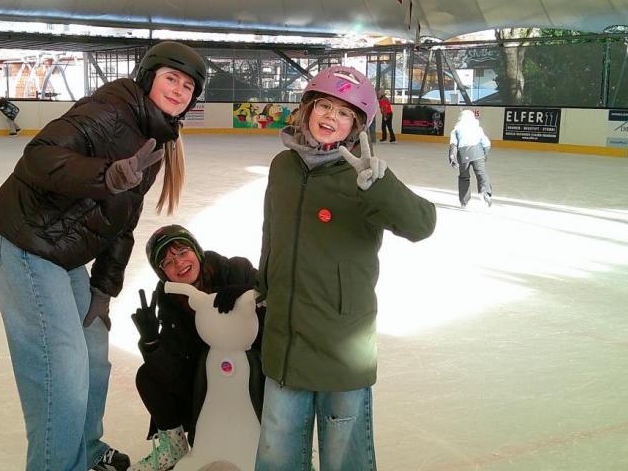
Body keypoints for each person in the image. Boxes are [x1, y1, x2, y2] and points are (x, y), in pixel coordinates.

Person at [0, 41, 207, 471]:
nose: (179, 90)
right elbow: (38, 157)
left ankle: (86, 451)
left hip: (62, 253)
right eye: (171, 78)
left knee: (92, 352)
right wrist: (106, 175)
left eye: (188, 86)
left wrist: (103, 290)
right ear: (149, 77)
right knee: (60, 368)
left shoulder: (155, 137)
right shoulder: (111, 108)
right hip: (24, 241)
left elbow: (123, 222)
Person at [254, 66, 437, 470]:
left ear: (355, 125)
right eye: (324, 105)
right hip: (284, 339)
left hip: (342, 343)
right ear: (307, 109)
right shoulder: (282, 168)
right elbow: (271, 237)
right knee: (276, 454)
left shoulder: (363, 177)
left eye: (343, 113)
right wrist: (262, 289)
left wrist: (381, 187)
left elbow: (422, 225)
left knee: (344, 457)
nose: (330, 118)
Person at [127, 225, 264, 471]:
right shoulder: (170, 300)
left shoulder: (234, 270)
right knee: (148, 377)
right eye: (167, 262)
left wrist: (247, 290)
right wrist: (151, 341)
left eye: (182, 251)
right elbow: (174, 371)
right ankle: (174, 447)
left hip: (256, 379)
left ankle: (284, 447)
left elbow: (276, 290)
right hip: (209, 386)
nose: (178, 264)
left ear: (196, 251)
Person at [448, 110, 493, 208]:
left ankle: (464, 201)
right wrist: (484, 155)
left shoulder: (456, 129)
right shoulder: (477, 128)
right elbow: (487, 144)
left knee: (464, 177)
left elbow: (453, 145)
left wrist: (452, 158)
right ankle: (485, 192)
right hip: (478, 153)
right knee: (481, 173)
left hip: (463, 154)